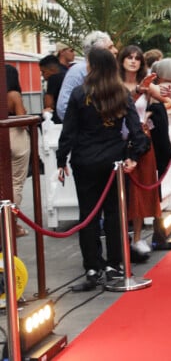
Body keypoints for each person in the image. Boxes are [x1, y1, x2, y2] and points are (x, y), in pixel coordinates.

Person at [56, 48, 149, 290]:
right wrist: (135, 156)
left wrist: (60, 159)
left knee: (88, 215)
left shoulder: (79, 93)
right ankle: (114, 264)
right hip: (113, 160)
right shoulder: (120, 92)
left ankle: (92, 266)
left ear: (92, 66)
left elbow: (69, 131)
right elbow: (135, 128)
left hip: (84, 159)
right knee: (115, 214)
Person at [118, 45, 162, 256]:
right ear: (122, 60)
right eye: (129, 57)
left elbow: (165, 96)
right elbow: (121, 105)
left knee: (139, 191)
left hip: (142, 142)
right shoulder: (115, 84)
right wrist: (138, 91)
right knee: (120, 192)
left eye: (137, 58)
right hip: (118, 141)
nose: (133, 61)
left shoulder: (146, 84)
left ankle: (136, 238)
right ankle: (120, 237)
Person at [56, 31, 118, 121]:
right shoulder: (77, 72)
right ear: (97, 51)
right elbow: (63, 107)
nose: (116, 51)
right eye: (110, 47)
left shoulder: (111, 71)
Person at [5, 64, 31, 237]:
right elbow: (22, 120)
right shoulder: (13, 95)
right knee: (15, 183)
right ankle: (11, 223)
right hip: (15, 136)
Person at [39, 54, 67, 123]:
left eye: (43, 71)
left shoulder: (53, 78)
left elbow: (48, 105)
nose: (42, 75)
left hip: (58, 119)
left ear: (52, 69)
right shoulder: (67, 74)